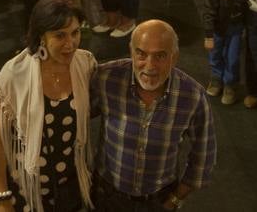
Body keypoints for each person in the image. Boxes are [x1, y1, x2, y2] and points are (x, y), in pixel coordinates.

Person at [0, 0, 96, 212]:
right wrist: (1, 197)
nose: (70, 43)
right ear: (41, 37)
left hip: (69, 188)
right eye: (60, 35)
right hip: (26, 189)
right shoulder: (15, 74)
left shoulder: (85, 64)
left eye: (75, 33)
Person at [91, 20, 216, 210]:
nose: (149, 66)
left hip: (159, 202)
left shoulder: (193, 96)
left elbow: (203, 156)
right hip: (106, 198)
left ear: (174, 57)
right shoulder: (106, 78)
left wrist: (175, 200)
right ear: (131, 51)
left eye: (160, 56)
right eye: (141, 54)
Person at [201, 0, 251, 105]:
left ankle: (229, 84)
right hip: (217, 30)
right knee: (215, 55)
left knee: (233, 58)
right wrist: (209, 36)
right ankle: (216, 79)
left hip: (236, 31)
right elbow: (208, 13)